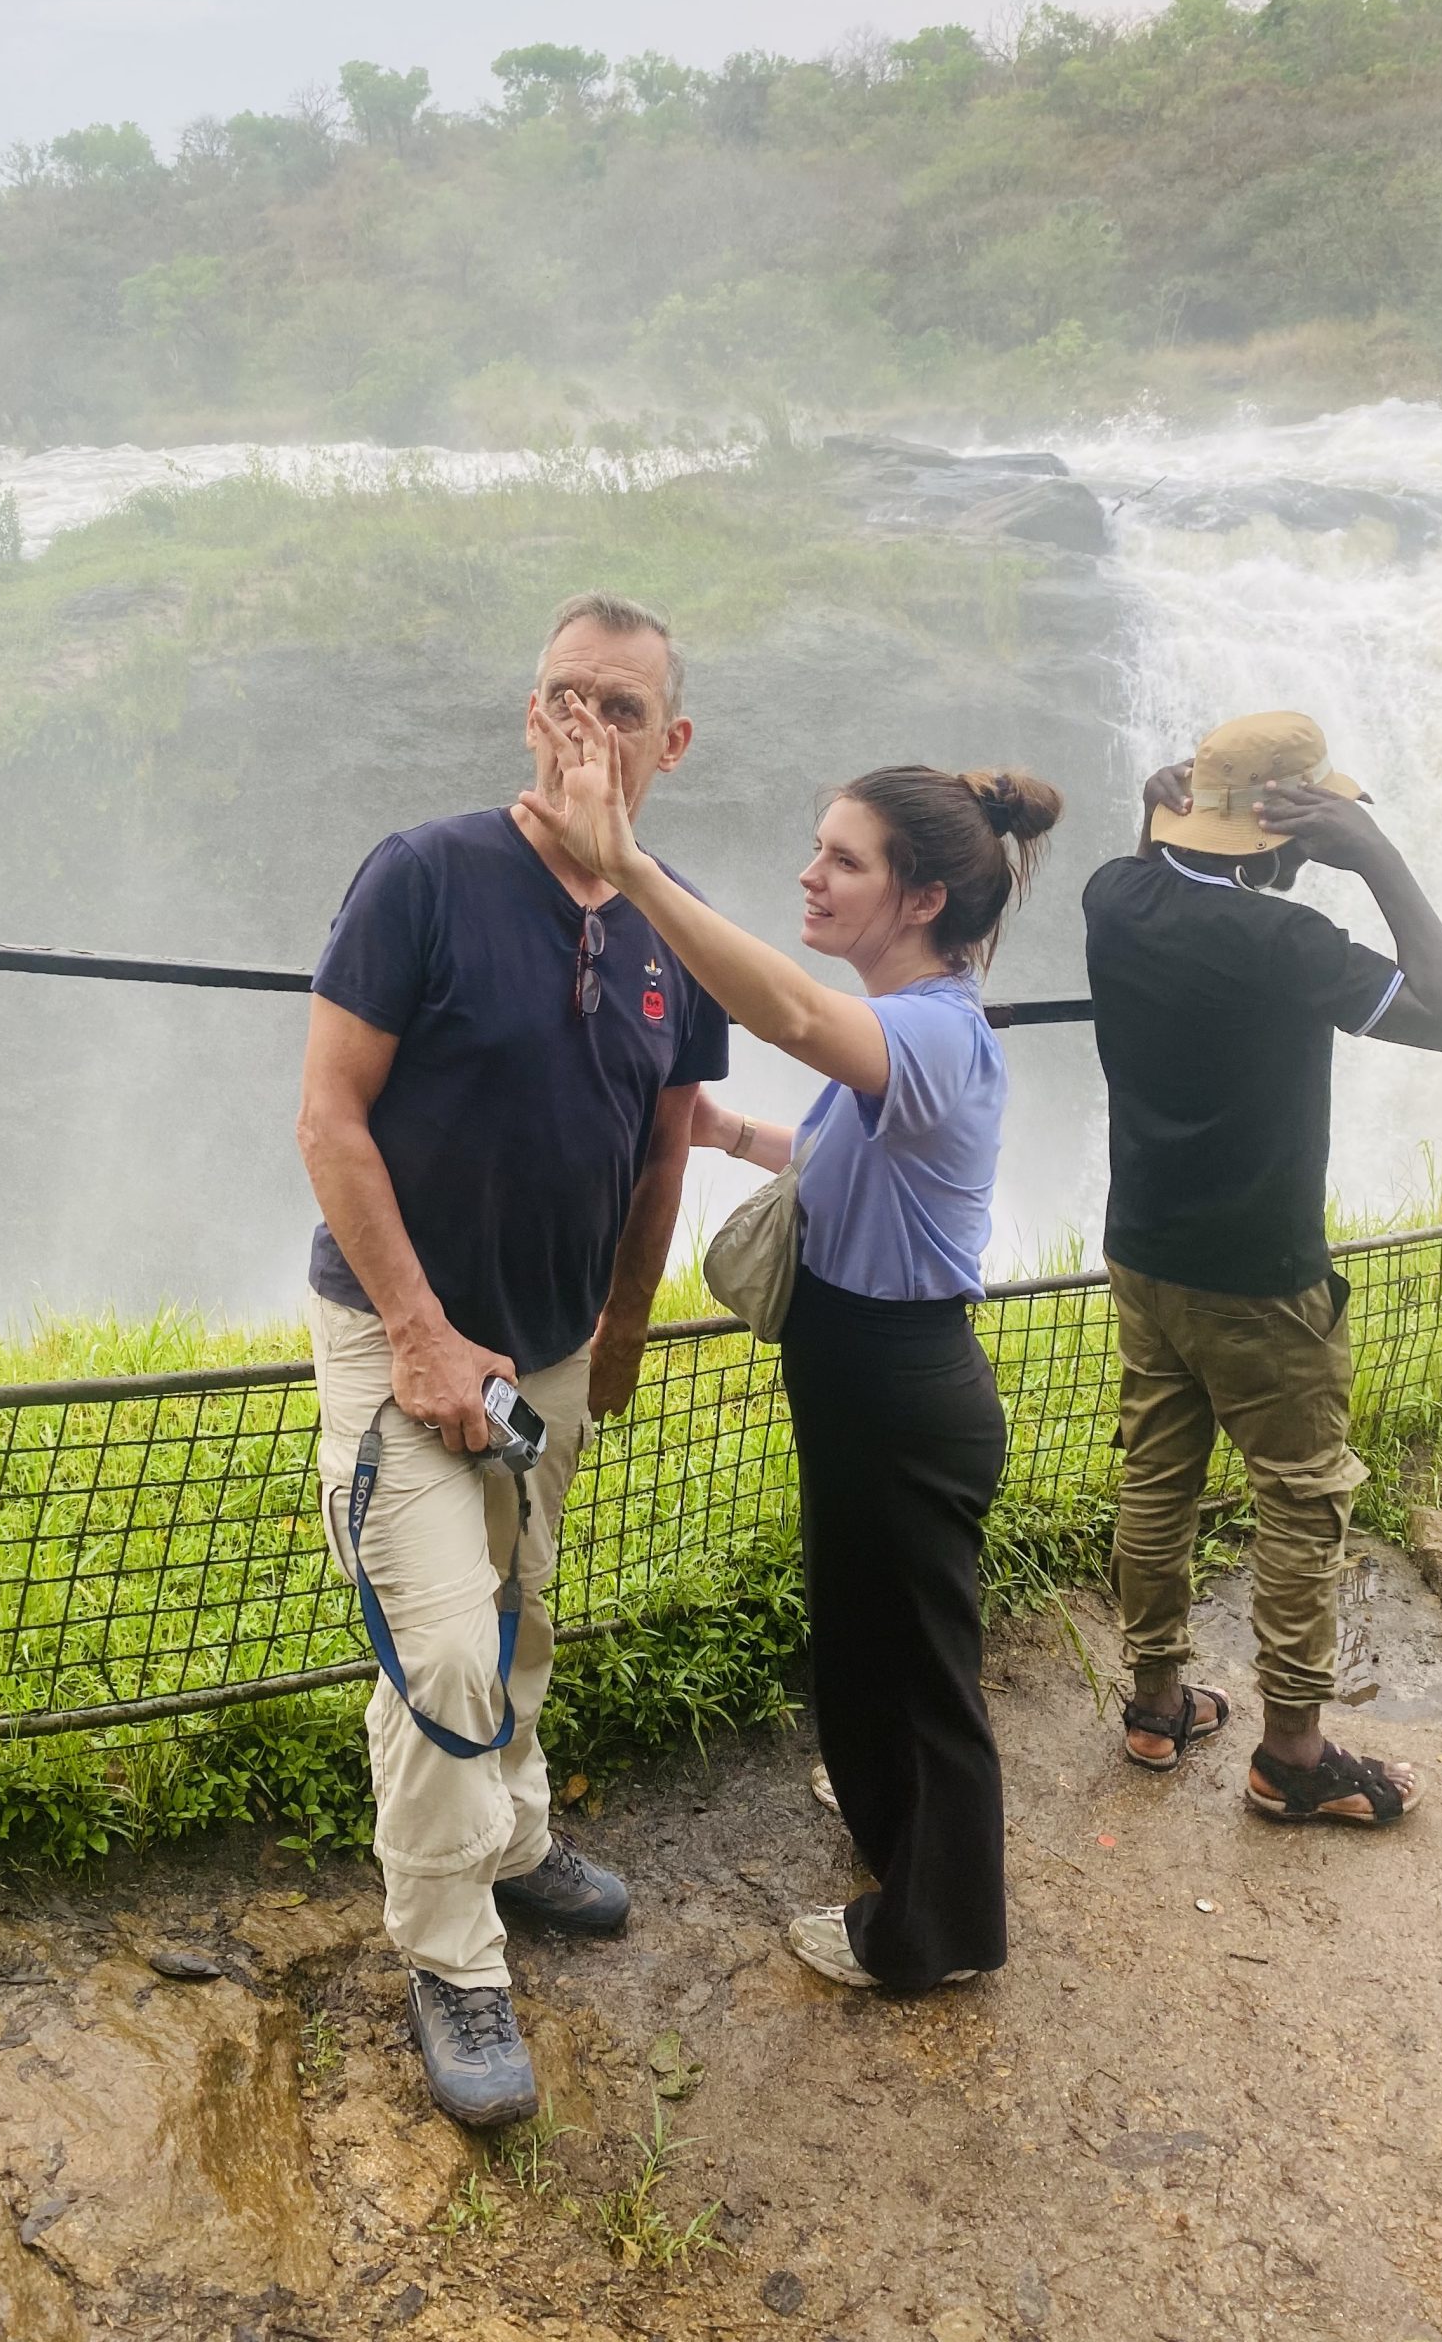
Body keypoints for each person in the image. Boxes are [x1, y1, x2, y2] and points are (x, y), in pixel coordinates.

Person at [521, 696, 1061, 1994]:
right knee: (864, 1638)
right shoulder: (903, 1022)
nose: (810, 877)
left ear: (922, 898)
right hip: (861, 1380)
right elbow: (846, 1158)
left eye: (845, 861)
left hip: (903, 1388)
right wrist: (728, 1139)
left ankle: (933, 1939)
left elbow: (795, 1022)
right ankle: (891, 1833)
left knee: (927, 1675)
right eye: (817, 850)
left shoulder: (928, 1029)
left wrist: (632, 869)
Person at [295, 592, 728, 2128]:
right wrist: (415, 1332)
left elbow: (663, 1151)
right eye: (562, 697)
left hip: (548, 1355)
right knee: (448, 1651)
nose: (584, 732)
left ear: (671, 742)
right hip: (400, 1341)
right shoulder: (425, 874)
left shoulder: (676, 920)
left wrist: (621, 1327)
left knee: (525, 1621)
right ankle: (452, 1959)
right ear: (526, 713)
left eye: (619, 709)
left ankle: (517, 1839)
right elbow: (329, 1116)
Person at [1084, 712, 1442, 1827]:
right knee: (1302, 1500)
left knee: (1158, 1475)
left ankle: (1157, 1706)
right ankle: (1294, 1752)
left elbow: (1162, 871)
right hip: (1261, 1279)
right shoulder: (1288, 943)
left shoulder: (1112, 894)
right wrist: (1378, 855)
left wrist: (1165, 817)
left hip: (1143, 1255)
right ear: (1280, 837)